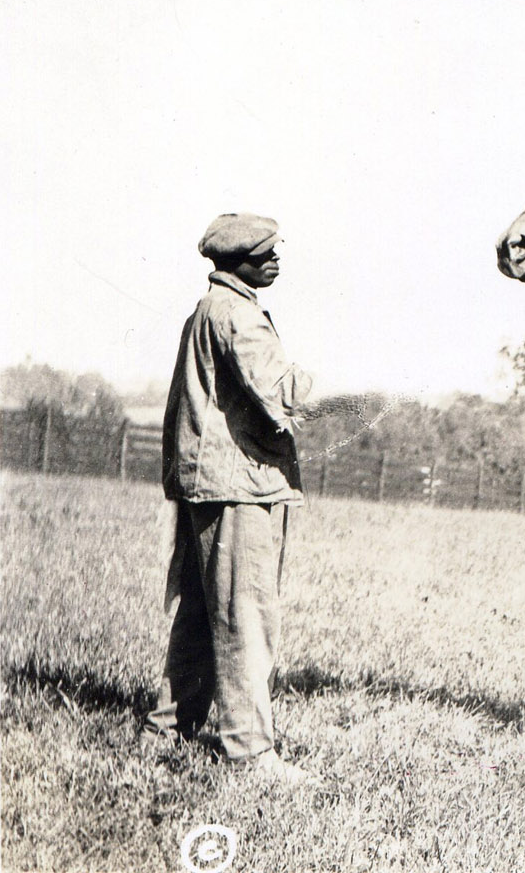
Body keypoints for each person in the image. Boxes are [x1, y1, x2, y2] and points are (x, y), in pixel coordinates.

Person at [140, 213, 315, 784]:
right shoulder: (240, 315)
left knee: (199, 611)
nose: (275, 259)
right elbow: (280, 396)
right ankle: (251, 752)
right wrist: (351, 392)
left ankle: (166, 731)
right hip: (239, 486)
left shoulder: (206, 310)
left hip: (205, 483)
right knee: (244, 615)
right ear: (235, 260)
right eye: (264, 252)